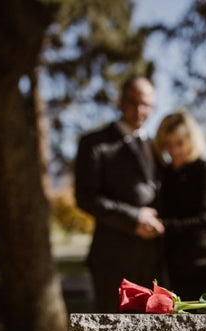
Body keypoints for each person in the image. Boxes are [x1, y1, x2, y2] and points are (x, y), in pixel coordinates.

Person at [75, 76, 164, 312]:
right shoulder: (94, 143)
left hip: (155, 260)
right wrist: (134, 217)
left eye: (146, 104)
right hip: (111, 261)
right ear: (120, 102)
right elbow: (85, 197)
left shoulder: (157, 147)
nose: (140, 110)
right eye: (133, 102)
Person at [154, 111, 206, 300]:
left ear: (191, 141)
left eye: (179, 144)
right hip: (174, 267)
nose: (174, 151)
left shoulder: (202, 169)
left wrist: (164, 226)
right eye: (168, 145)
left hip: (205, 263)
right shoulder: (165, 173)